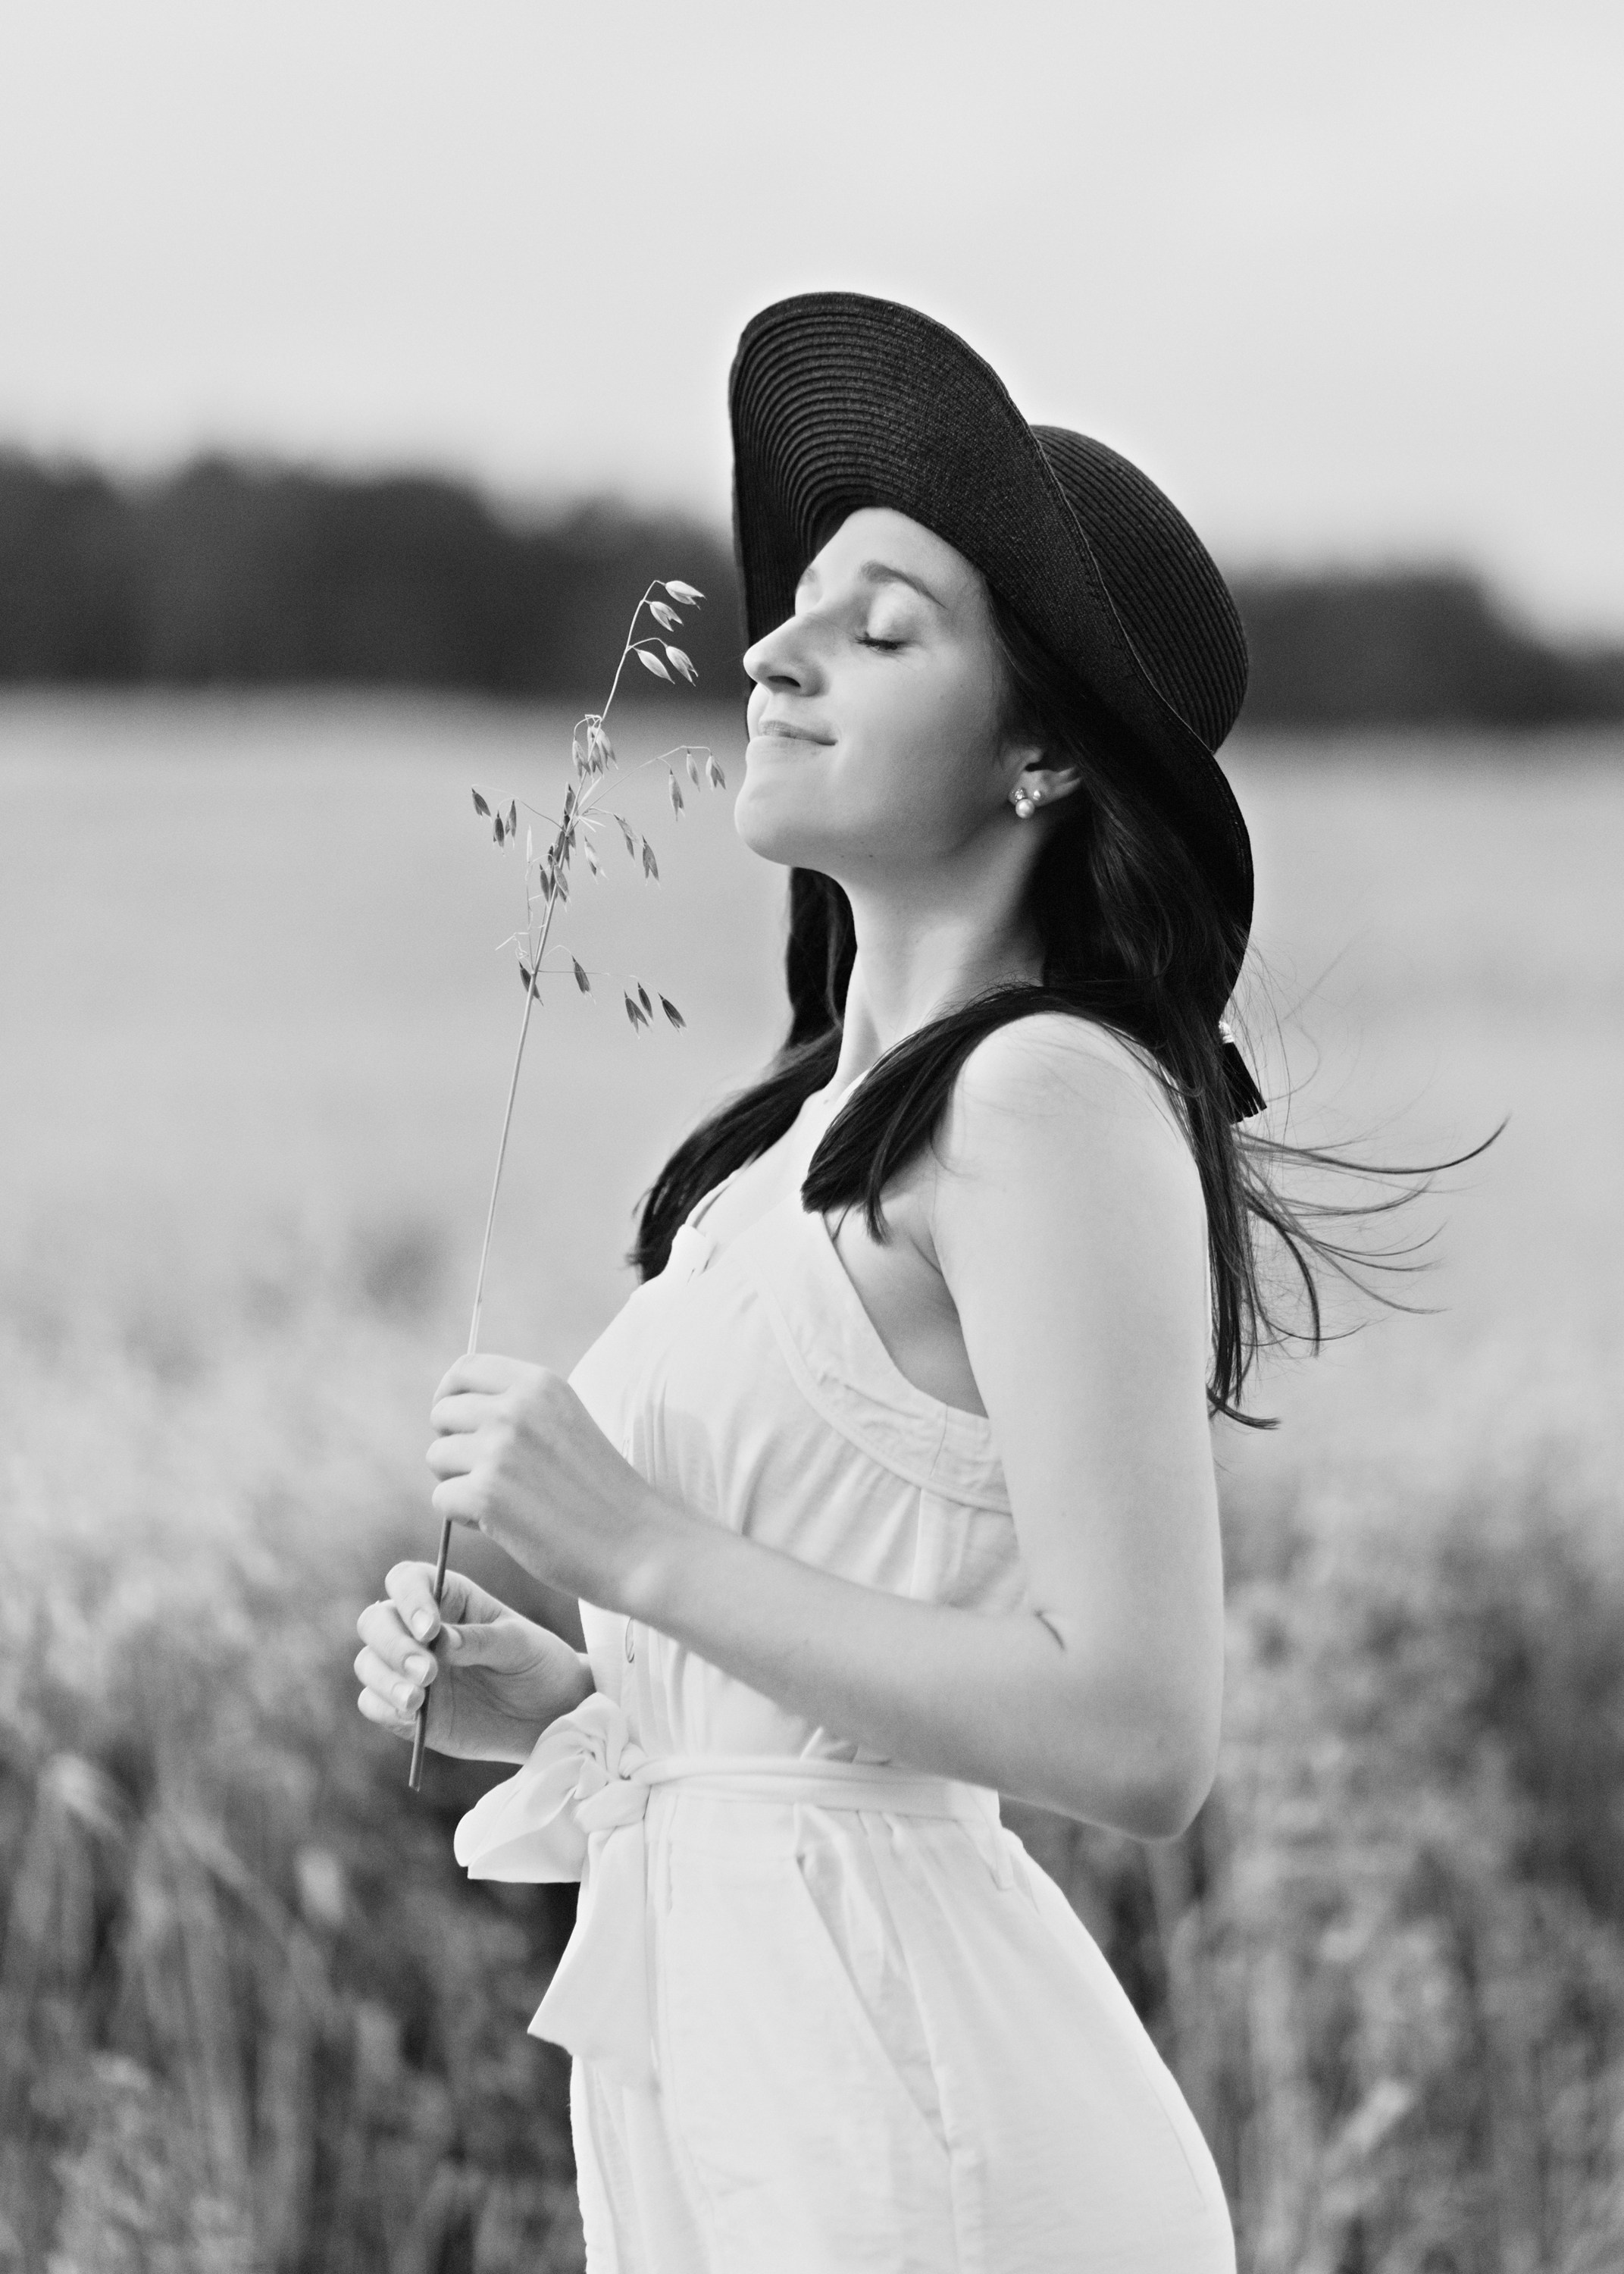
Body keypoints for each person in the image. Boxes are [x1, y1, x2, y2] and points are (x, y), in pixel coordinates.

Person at [355, 291, 1301, 2270]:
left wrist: (640, 1554)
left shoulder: (1043, 1100)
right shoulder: (803, 1143)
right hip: (759, 2085)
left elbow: (1140, 1729)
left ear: (1041, 750)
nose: (770, 654)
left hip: (910, 2121)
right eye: (795, 614)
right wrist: (591, 1705)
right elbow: (832, 1698)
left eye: (881, 631)